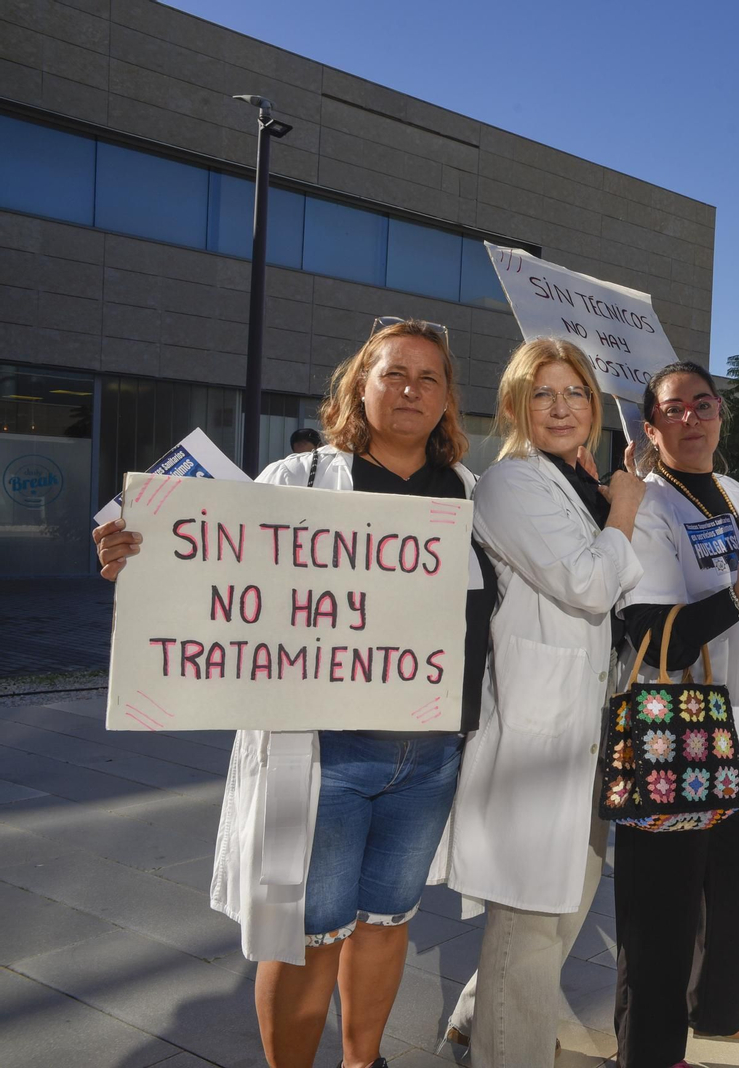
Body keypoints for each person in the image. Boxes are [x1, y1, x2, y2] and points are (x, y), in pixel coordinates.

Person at [93, 318, 488, 1068]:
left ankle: (361, 1062)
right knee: (306, 932)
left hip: (431, 757)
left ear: (446, 401)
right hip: (324, 756)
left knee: (387, 921)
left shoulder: (470, 495)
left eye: (428, 378)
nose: (410, 389)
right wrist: (133, 561)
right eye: (392, 373)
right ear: (358, 386)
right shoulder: (295, 481)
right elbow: (209, 578)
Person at [442, 338, 647, 1067]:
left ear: (594, 407)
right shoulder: (512, 485)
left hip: (585, 730)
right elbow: (592, 584)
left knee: (564, 908)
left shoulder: (570, 483)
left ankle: (479, 1020)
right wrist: (622, 508)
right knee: (530, 923)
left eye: (576, 394)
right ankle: (508, 1052)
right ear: (515, 406)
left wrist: (603, 502)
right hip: (536, 734)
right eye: (543, 394)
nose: (561, 409)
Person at [611, 361, 739, 1068]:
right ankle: (649, 1050)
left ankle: (714, 1009)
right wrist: (737, 600)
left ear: (720, 415)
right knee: (664, 906)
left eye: (703, 404)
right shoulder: (648, 505)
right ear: (650, 428)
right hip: (677, 728)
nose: (691, 418)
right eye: (673, 409)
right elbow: (650, 633)